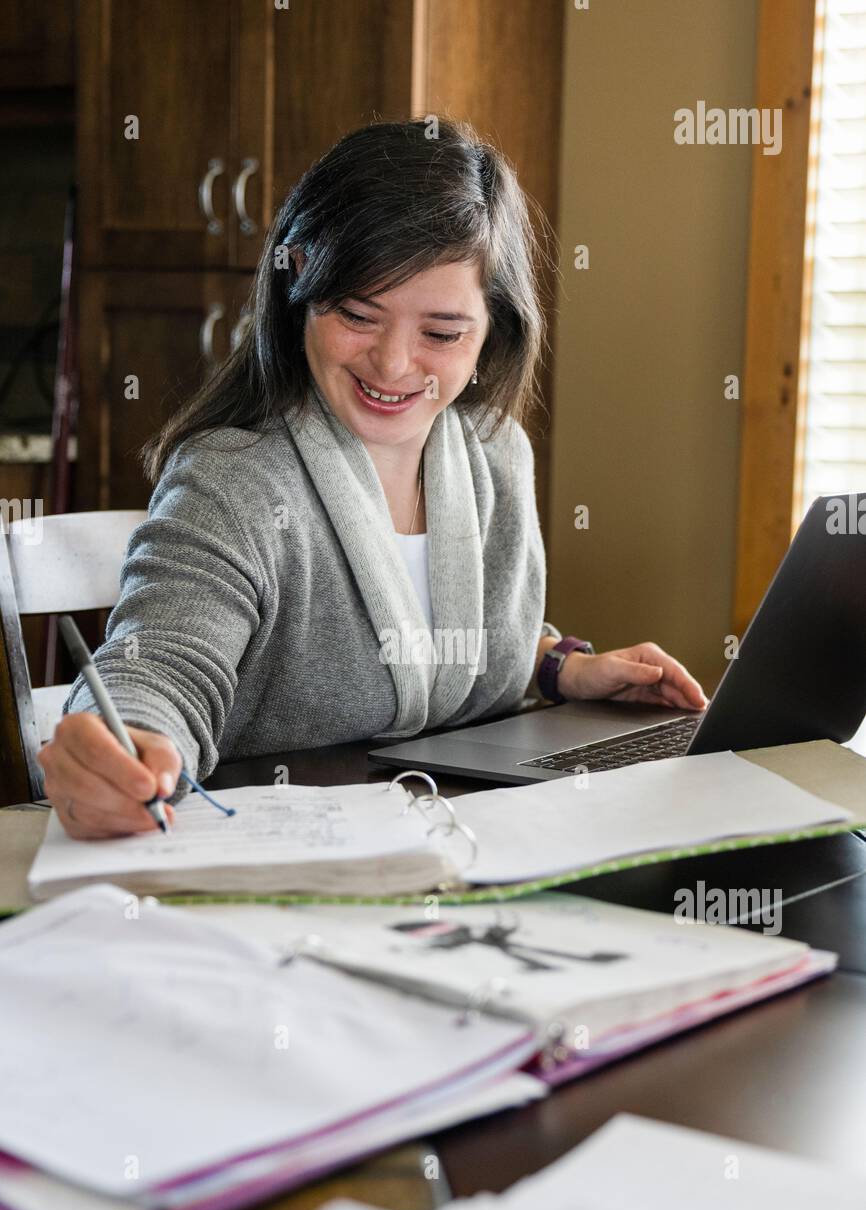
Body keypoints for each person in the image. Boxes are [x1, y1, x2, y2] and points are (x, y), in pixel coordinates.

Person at [39, 117, 706, 840]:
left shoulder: (495, 455)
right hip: (285, 874)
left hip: (472, 856)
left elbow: (436, 643)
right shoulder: (232, 482)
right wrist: (128, 738)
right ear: (300, 298)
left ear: (493, 334)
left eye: (442, 333)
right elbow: (164, 661)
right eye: (358, 314)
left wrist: (557, 667)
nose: (392, 365)